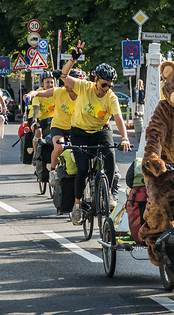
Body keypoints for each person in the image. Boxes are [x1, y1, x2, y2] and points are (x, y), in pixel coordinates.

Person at [57, 40, 131, 225]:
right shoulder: (84, 87)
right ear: (96, 80)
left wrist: (124, 138)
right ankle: (77, 204)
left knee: (111, 157)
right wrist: (73, 59)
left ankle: (110, 193)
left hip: (100, 131)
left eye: (110, 85)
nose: (107, 88)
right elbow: (64, 76)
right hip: (80, 132)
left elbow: (119, 118)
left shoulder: (111, 97)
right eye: (104, 84)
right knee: (82, 169)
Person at [25, 69, 84, 186]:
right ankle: (52, 171)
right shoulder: (58, 92)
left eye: (52, 82)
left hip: (75, 127)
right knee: (59, 147)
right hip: (58, 126)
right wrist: (30, 94)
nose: (66, 85)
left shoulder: (83, 95)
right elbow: (37, 96)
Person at [27, 72, 55, 161]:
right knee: (38, 132)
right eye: (47, 82)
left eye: (52, 82)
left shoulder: (56, 92)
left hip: (51, 119)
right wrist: (35, 119)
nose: (50, 85)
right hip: (36, 117)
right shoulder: (38, 93)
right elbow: (35, 107)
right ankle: (35, 154)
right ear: (42, 84)